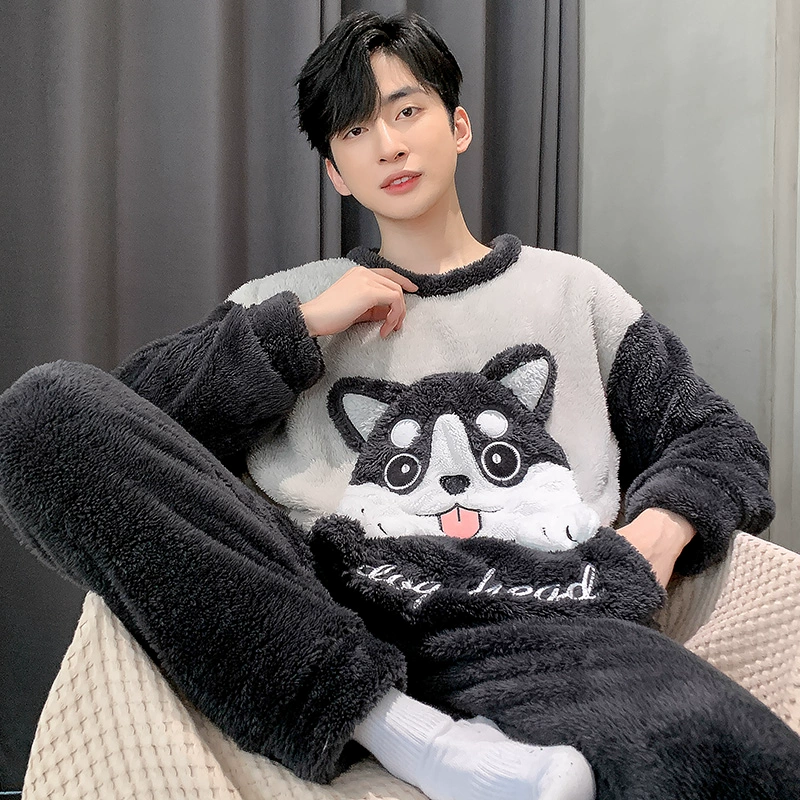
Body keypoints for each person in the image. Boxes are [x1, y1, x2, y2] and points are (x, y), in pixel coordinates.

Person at [0, 10, 781, 800]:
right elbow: (115, 429)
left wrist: (659, 530)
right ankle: (398, 728)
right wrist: (299, 330)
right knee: (37, 412)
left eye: (407, 111)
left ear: (458, 126)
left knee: (735, 758)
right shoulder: (281, 304)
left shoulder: (574, 293)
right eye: (354, 131)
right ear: (336, 172)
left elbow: (717, 437)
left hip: (542, 621)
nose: (388, 145)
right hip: (321, 619)